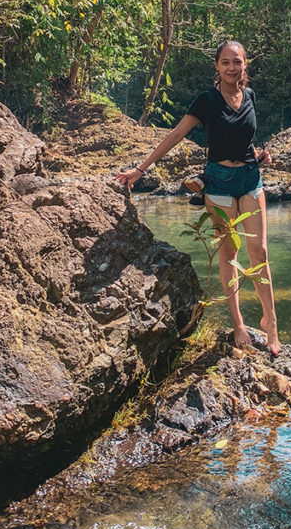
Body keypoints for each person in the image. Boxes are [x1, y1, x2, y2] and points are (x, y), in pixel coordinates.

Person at [115, 40, 281, 356]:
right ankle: (239, 324)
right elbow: (177, 135)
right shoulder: (206, 100)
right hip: (217, 182)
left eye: (238, 62)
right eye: (226, 62)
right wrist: (141, 168)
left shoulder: (249, 96)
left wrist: (259, 155)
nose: (232, 67)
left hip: (250, 179)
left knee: (258, 251)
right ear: (217, 67)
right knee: (228, 253)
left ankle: (271, 322)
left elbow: (244, 137)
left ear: (245, 65)